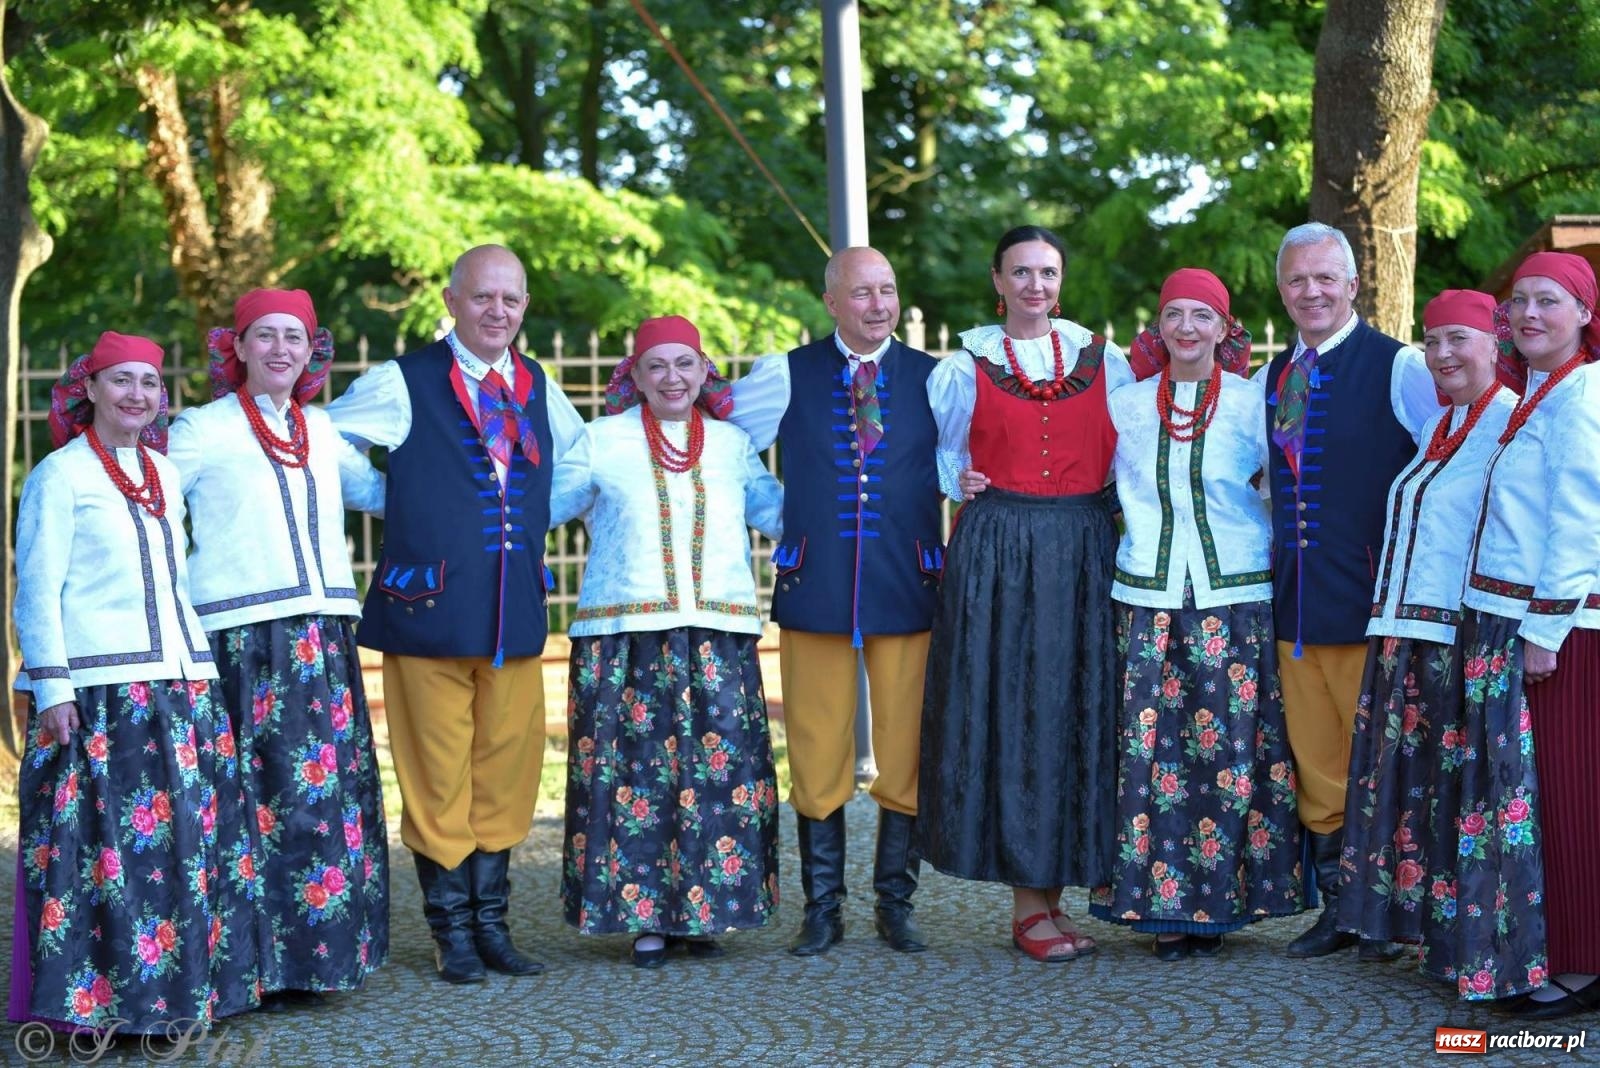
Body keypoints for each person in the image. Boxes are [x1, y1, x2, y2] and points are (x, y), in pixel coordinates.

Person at [327, 244, 586, 984]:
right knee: (437, 773)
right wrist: (387, 496)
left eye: (510, 298)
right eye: (482, 297)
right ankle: (452, 934)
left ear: (524, 306)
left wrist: (538, 516)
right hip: (428, 608)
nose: (497, 310)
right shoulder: (402, 382)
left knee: (505, 768)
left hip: (512, 611)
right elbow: (326, 439)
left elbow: (578, 461)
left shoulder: (536, 382)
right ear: (451, 300)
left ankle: (492, 926)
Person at [9, 332, 259, 1033]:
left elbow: (176, 582)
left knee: (184, 845)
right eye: (121, 380)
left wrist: (200, 672)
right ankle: (105, 1006)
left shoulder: (164, 473)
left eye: (149, 382)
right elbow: (38, 586)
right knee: (108, 853)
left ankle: (181, 995)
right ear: (88, 388)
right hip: (101, 691)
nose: (137, 395)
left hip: (180, 686)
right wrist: (51, 687)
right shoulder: (59, 476)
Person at [167, 289, 389, 1007]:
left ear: (310, 350)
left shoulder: (323, 431)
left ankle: (314, 959)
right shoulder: (200, 430)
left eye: (294, 337)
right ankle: (246, 964)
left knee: (316, 803)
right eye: (264, 336)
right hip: (239, 639)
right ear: (235, 347)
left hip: (321, 635)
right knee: (247, 801)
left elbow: (382, 495)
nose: (280, 350)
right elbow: (151, 513)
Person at [921, 224, 1131, 962]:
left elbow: (1136, 452)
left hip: (1083, 546)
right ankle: (1026, 906)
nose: (1036, 285)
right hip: (1001, 550)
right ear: (997, 280)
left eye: (1047, 272)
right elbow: (942, 458)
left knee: (1077, 708)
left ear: (1060, 281)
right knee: (1016, 711)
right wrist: (962, 481)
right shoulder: (961, 364)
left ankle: (1059, 895)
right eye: (1021, 273)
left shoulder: (1108, 361)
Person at [1083, 269, 1304, 959]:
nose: (1186, 328)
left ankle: (1222, 904)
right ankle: (1159, 910)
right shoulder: (1125, 406)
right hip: (1146, 598)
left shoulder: (1252, 401)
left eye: (1201, 316)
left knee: (1230, 753)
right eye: (1173, 313)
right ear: (1157, 326)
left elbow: (1286, 484)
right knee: (1151, 755)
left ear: (1223, 328)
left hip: (1232, 598)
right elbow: (1086, 484)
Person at [728, 247, 943, 956]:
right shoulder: (784, 374)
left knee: (905, 747)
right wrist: (781, 518)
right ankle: (823, 907)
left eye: (887, 289)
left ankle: (896, 901)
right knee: (818, 749)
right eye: (862, 293)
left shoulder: (936, 379)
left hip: (907, 578)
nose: (877, 304)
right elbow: (728, 451)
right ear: (831, 301)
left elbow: (966, 461)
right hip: (816, 582)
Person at [551, 315, 783, 966]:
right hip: (626, 635)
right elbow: (539, 509)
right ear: (636, 377)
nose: (672, 377)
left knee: (715, 779)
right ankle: (645, 919)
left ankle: (704, 912)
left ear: (705, 371)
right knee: (636, 781)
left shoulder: (733, 444)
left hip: (718, 634)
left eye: (685, 364)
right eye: (657, 366)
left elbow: (780, 514)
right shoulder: (601, 441)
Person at [1334, 289, 1534, 1000]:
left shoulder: (1511, 425)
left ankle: (1468, 946)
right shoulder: (1439, 425)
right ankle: (1431, 937)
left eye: (1460, 339)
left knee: (1461, 795)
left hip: (1457, 635)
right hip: (1405, 636)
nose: (1444, 354)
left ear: (1494, 344)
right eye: (1433, 341)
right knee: (1420, 796)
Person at [1259, 221, 1438, 960]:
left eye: (1325, 277)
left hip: (1372, 605)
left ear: (1354, 283)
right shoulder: (1275, 375)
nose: (1312, 291)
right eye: (1297, 280)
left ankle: (1397, 913)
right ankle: (1339, 906)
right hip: (1296, 605)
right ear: (1282, 291)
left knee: (1388, 762)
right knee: (1318, 762)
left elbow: (1443, 468)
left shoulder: (1401, 366)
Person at [1460, 252, 1600, 1018]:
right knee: (1535, 802)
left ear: (1584, 312)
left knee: (1569, 797)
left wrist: (1546, 632)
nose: (1530, 314)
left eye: (1550, 300)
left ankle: (1581, 966)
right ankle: (1547, 950)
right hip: (1519, 619)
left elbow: (1579, 522)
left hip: (1564, 632)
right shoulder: (1536, 395)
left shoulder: (1583, 396)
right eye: (1518, 301)